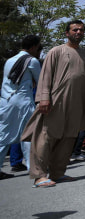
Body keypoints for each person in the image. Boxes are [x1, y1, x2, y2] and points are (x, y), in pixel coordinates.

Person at [22, 21, 85, 188]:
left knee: (69, 136)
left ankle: (58, 172)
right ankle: (39, 175)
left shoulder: (84, 54)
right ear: (67, 33)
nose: (78, 32)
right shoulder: (56, 51)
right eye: (75, 29)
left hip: (77, 101)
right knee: (46, 136)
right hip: (56, 100)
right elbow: (45, 76)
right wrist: (43, 98)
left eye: (81, 30)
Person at [0, 35, 42, 180]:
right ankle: (33, 168)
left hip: (5, 101)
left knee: (4, 135)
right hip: (23, 102)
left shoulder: (9, 61)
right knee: (29, 134)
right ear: (33, 47)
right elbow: (41, 81)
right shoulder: (32, 61)